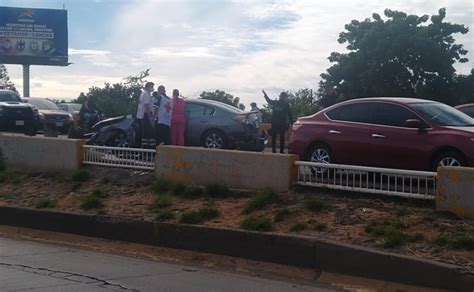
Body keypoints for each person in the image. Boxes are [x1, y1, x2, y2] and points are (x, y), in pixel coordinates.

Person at [136, 82, 154, 148]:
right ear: (148, 86)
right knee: (148, 133)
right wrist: (151, 117)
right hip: (145, 115)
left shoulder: (143, 93)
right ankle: (147, 148)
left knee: (144, 133)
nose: (152, 88)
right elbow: (146, 106)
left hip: (141, 115)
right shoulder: (146, 94)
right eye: (151, 86)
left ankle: (144, 147)